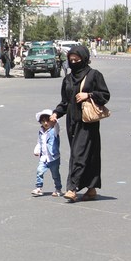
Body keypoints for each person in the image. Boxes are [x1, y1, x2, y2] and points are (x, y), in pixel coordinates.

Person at [49, 45, 110, 203]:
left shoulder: (94, 75)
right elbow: (65, 102)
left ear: (84, 59)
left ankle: (72, 188)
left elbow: (105, 95)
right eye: (71, 60)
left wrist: (88, 95)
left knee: (78, 154)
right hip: (72, 122)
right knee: (88, 155)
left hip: (87, 123)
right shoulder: (68, 79)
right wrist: (56, 113)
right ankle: (91, 188)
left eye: (77, 59)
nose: (74, 62)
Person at [31, 109, 62, 197]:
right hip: (44, 157)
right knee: (39, 171)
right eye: (43, 121)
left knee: (55, 175)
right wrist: (36, 150)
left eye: (48, 121)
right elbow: (39, 142)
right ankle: (38, 188)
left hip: (53, 158)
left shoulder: (54, 131)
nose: (45, 123)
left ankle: (58, 189)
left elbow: (57, 126)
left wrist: (55, 121)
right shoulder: (41, 132)